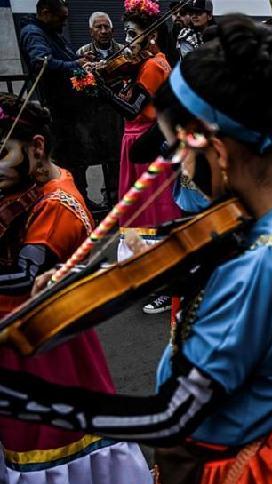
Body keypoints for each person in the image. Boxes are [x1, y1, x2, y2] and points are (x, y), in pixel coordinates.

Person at [0, 15, 272, 484]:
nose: (174, 169)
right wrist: (97, 268)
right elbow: (190, 245)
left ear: (218, 150)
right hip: (250, 448)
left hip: (230, 476)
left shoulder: (261, 267)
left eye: (179, 154)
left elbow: (170, 416)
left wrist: (43, 405)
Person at [0, 93, 152, 484]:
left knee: (47, 442)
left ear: (37, 147)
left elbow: (25, 279)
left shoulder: (55, 204)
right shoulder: (32, 186)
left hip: (45, 351)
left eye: (2, 153)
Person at [96, 0, 180, 314]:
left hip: (145, 140)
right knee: (143, 213)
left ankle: (168, 286)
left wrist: (102, 90)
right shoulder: (149, 62)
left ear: (151, 35)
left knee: (154, 214)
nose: (127, 40)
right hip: (137, 139)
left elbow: (133, 110)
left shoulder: (154, 66)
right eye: (126, 33)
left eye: (132, 33)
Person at [19, 0, 96, 208]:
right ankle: (72, 201)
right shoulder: (34, 32)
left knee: (78, 158)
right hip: (58, 108)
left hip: (69, 107)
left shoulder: (50, 32)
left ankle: (81, 197)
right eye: (61, 18)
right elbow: (41, 62)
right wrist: (74, 65)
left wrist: (79, 59)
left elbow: (61, 57)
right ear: (46, 13)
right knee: (67, 159)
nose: (64, 23)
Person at [76, 12, 124, 209]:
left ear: (112, 30)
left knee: (115, 157)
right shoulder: (82, 53)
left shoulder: (122, 50)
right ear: (91, 31)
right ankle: (84, 200)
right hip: (92, 113)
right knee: (87, 156)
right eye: (98, 27)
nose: (103, 31)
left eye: (106, 27)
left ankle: (112, 196)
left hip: (116, 113)